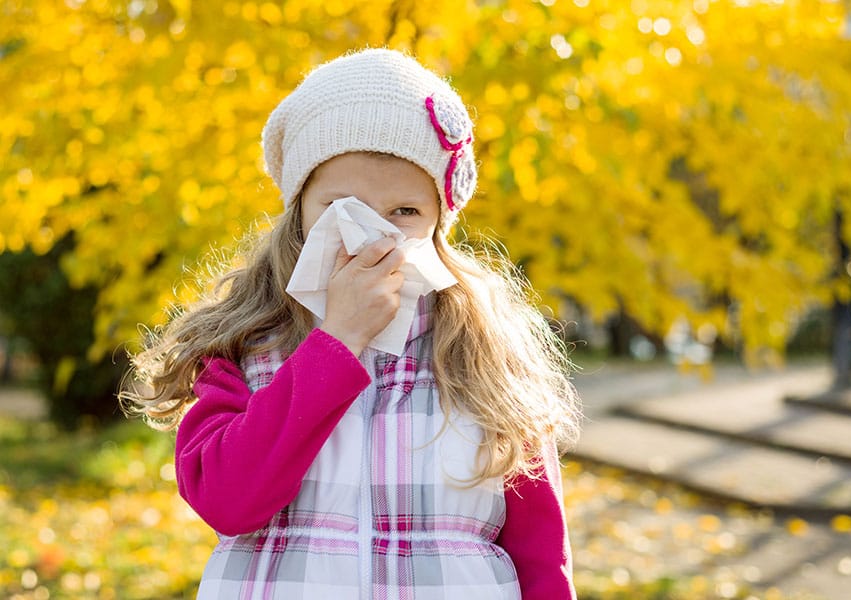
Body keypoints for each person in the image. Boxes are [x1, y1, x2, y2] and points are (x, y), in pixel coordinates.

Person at [122, 48, 581, 599]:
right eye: (343, 207)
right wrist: (336, 342)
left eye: (404, 212)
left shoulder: (486, 353)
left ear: (438, 219)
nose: (374, 234)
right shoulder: (242, 345)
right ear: (299, 212)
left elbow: (540, 553)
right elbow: (227, 502)